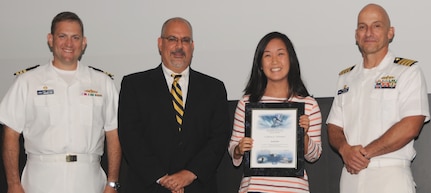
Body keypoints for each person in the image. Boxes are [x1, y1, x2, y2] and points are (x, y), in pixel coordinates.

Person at [0, 12, 121, 193]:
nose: (69, 44)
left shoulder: (102, 82)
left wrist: (112, 183)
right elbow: (10, 135)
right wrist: (13, 184)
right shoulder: (27, 81)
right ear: (50, 39)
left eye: (75, 37)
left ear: (84, 42)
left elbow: (113, 135)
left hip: (89, 179)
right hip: (39, 179)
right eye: (62, 36)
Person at [118, 17, 230, 193]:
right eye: (172, 39)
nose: (179, 46)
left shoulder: (214, 89)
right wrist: (162, 178)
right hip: (148, 187)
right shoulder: (134, 85)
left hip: (198, 187)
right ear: (160, 44)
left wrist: (189, 174)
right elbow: (130, 138)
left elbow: (219, 138)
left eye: (185, 40)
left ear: (192, 46)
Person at [327, 3, 430, 193]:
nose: (368, 32)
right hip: (350, 176)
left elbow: (411, 125)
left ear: (390, 32)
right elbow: (334, 126)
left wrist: (364, 154)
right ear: (356, 35)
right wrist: (344, 149)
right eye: (362, 27)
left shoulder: (407, 72)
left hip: (390, 175)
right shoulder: (345, 77)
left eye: (376, 25)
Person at [228, 31, 322, 193]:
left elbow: (314, 155)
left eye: (280, 54)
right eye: (267, 56)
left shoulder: (308, 105)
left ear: (291, 60)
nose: (274, 61)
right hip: (254, 188)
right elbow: (233, 151)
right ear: (260, 64)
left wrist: (303, 135)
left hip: (294, 189)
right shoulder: (247, 103)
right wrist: (239, 149)